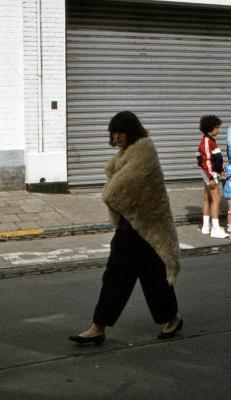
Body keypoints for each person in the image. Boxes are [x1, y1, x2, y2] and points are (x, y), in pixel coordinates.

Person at [69, 111, 182, 345]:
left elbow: (115, 192)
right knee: (114, 279)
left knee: (155, 281)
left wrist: (111, 192)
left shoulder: (144, 153)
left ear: (132, 131)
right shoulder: (124, 157)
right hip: (128, 229)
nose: (117, 136)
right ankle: (97, 327)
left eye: (121, 131)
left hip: (149, 229)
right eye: (114, 132)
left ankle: (172, 318)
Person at [196, 115, 229, 239]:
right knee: (216, 199)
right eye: (217, 127)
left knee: (207, 199)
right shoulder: (207, 142)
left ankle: (206, 227)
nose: (218, 130)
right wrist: (211, 177)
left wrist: (221, 171)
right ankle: (215, 229)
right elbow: (206, 161)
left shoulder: (208, 140)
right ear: (211, 128)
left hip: (210, 173)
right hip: (210, 174)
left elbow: (213, 160)